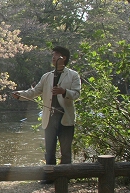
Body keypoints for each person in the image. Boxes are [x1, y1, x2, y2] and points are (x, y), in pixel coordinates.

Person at [13, 46, 81, 174]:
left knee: (66, 151)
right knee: (49, 150)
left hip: (65, 117)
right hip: (49, 118)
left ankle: (65, 177)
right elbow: (34, 91)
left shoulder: (73, 75)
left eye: (56, 55)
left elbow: (77, 94)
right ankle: (50, 177)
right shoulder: (47, 76)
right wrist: (20, 94)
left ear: (64, 58)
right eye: (53, 55)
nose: (53, 57)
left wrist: (64, 91)